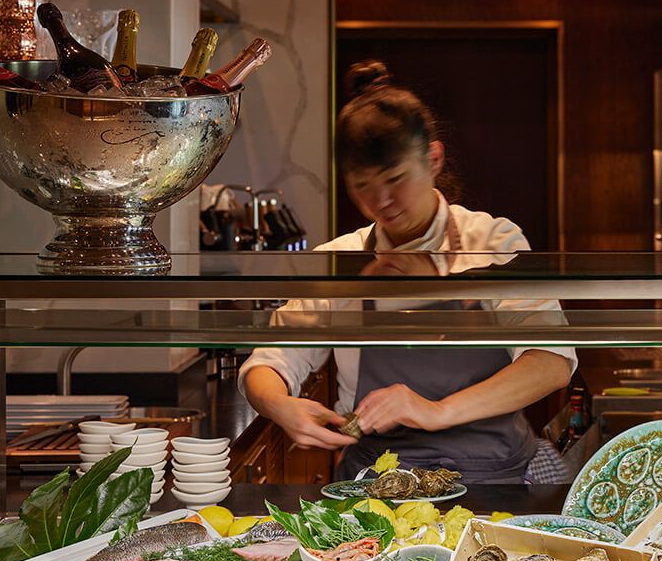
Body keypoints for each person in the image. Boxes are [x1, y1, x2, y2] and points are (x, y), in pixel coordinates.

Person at [239, 60, 575, 483]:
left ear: (433, 159)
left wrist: (433, 411)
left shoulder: (491, 242)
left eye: (396, 178)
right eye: (361, 185)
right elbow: (269, 362)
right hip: (377, 486)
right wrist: (279, 406)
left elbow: (551, 362)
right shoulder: (339, 261)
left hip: (497, 480)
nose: (381, 200)